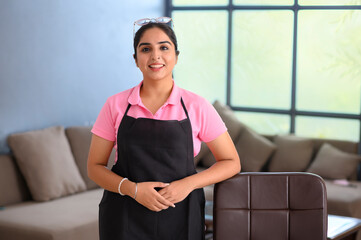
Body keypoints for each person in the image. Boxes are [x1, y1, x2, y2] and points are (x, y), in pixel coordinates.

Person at [87, 17, 241, 240]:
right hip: (123, 217)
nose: (155, 56)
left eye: (164, 47)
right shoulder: (115, 105)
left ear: (176, 57)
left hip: (182, 216)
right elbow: (94, 167)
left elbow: (231, 162)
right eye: (145, 49)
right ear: (136, 59)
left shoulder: (197, 105)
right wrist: (134, 190)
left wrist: (188, 184)